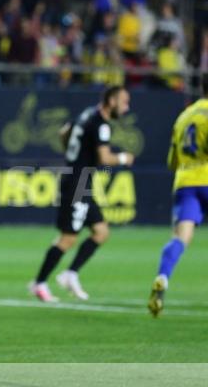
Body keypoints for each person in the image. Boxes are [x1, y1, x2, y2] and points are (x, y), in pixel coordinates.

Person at [29, 86, 135, 302]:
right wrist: (124, 158)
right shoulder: (102, 125)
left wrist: (73, 155)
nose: (126, 108)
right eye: (124, 102)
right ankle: (39, 283)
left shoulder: (87, 114)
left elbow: (63, 132)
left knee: (101, 232)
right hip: (78, 183)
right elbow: (105, 158)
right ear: (112, 101)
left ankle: (70, 274)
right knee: (68, 238)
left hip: (80, 180)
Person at [148, 74, 208, 317]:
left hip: (185, 181)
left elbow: (172, 161)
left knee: (180, 238)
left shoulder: (184, 116)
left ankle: (162, 277)